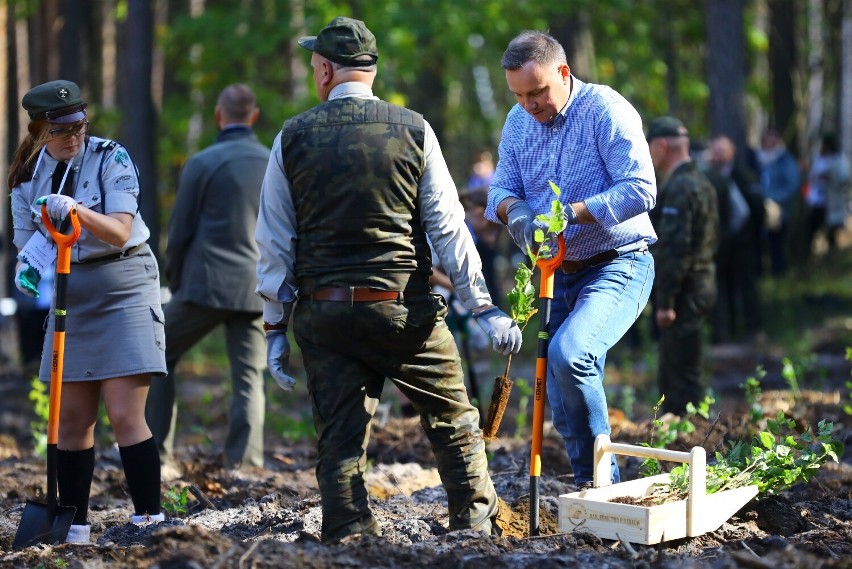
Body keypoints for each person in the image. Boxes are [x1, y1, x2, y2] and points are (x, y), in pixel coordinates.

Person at [255, 17, 522, 543]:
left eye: (315, 67)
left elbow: (273, 243)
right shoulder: (414, 128)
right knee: (454, 422)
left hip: (325, 313)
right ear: (371, 71)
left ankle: (348, 529)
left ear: (327, 70)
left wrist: (272, 326)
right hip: (405, 313)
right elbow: (449, 228)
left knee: (340, 438)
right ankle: (472, 522)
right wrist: (483, 306)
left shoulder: (292, 136)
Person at [485, 31, 656, 488]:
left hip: (618, 262)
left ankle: (607, 489)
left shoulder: (606, 110)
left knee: (570, 354)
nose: (529, 104)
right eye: (519, 94)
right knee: (558, 393)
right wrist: (516, 212)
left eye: (537, 92)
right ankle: (589, 487)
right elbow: (499, 191)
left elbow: (641, 188)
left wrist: (570, 214)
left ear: (564, 73)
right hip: (555, 273)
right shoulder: (517, 122)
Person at [9, 80, 165, 543]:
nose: (74, 135)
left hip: (124, 283)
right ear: (40, 131)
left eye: (79, 123)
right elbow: (23, 240)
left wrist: (75, 212)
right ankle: (73, 522)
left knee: (123, 412)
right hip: (70, 289)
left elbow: (119, 230)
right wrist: (29, 266)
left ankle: (148, 518)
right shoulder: (24, 177)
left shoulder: (110, 157)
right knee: (72, 418)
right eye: (61, 129)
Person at [145, 84, 270, 478]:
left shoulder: (203, 162)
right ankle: (245, 464)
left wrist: (175, 277)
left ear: (219, 115)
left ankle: (157, 457)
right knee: (250, 377)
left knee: (156, 353)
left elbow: (180, 230)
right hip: (256, 288)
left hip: (205, 285)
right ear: (254, 116)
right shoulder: (274, 163)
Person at [646, 117, 719, 415]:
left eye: (650, 147)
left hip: (684, 292)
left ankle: (692, 439)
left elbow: (675, 250)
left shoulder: (680, 187)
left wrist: (666, 301)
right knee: (683, 367)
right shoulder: (702, 181)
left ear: (662, 146)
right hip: (700, 283)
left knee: (680, 376)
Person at [705, 135, 764, 343]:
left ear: (732, 153)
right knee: (724, 288)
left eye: (722, 151)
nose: (718, 155)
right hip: (722, 245)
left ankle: (754, 329)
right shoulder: (708, 177)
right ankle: (727, 332)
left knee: (747, 285)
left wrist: (754, 237)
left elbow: (757, 209)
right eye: (716, 151)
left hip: (744, 243)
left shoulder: (744, 176)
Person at [757, 129, 801, 276]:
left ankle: (779, 274)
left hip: (780, 210)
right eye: (767, 140)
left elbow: (792, 185)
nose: (770, 144)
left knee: (777, 244)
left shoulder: (786, 161)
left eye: (773, 140)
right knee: (761, 243)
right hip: (760, 208)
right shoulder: (760, 160)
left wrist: (774, 199)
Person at [804, 133, 851, 258]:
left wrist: (830, 177)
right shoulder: (817, 159)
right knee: (812, 228)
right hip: (815, 201)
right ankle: (813, 255)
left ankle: (832, 257)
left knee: (832, 232)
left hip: (832, 202)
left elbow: (844, 179)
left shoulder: (839, 160)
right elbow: (810, 177)